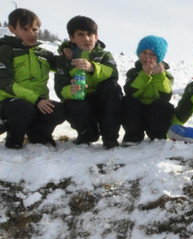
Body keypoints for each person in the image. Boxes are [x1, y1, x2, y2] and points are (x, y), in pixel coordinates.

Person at [0, 8, 66, 149]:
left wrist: (67, 49)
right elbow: (4, 82)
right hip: (10, 102)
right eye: (25, 29)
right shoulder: (5, 50)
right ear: (12, 29)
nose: (31, 34)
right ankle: (13, 138)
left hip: (37, 103)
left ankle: (38, 135)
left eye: (35, 29)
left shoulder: (43, 53)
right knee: (23, 107)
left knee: (59, 110)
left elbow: (63, 65)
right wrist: (36, 99)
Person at [54, 15, 122, 148]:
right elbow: (60, 87)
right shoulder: (65, 58)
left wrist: (92, 67)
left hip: (101, 101)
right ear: (72, 38)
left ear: (96, 36)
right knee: (72, 103)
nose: (86, 38)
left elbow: (113, 74)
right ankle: (87, 134)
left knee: (113, 87)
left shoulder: (104, 55)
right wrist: (70, 90)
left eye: (90, 34)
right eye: (81, 34)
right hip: (81, 101)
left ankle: (110, 137)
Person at [122, 35, 174, 145]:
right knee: (127, 101)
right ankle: (133, 135)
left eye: (152, 54)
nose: (147, 57)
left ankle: (158, 135)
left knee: (164, 105)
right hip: (138, 112)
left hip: (154, 113)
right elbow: (130, 92)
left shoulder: (166, 76)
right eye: (144, 52)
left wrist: (159, 76)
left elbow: (166, 96)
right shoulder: (133, 73)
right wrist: (145, 75)